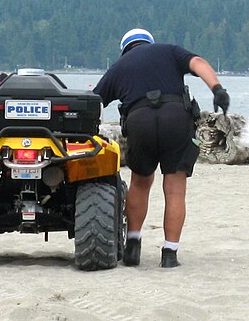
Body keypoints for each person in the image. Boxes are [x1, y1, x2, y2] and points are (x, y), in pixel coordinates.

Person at [93, 28, 230, 268]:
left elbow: (94, 103)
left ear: (126, 48)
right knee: (175, 187)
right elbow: (197, 62)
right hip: (176, 118)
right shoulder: (169, 51)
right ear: (149, 43)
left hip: (139, 121)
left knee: (140, 182)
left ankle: (133, 244)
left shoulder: (119, 67)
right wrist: (217, 90)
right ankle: (169, 253)